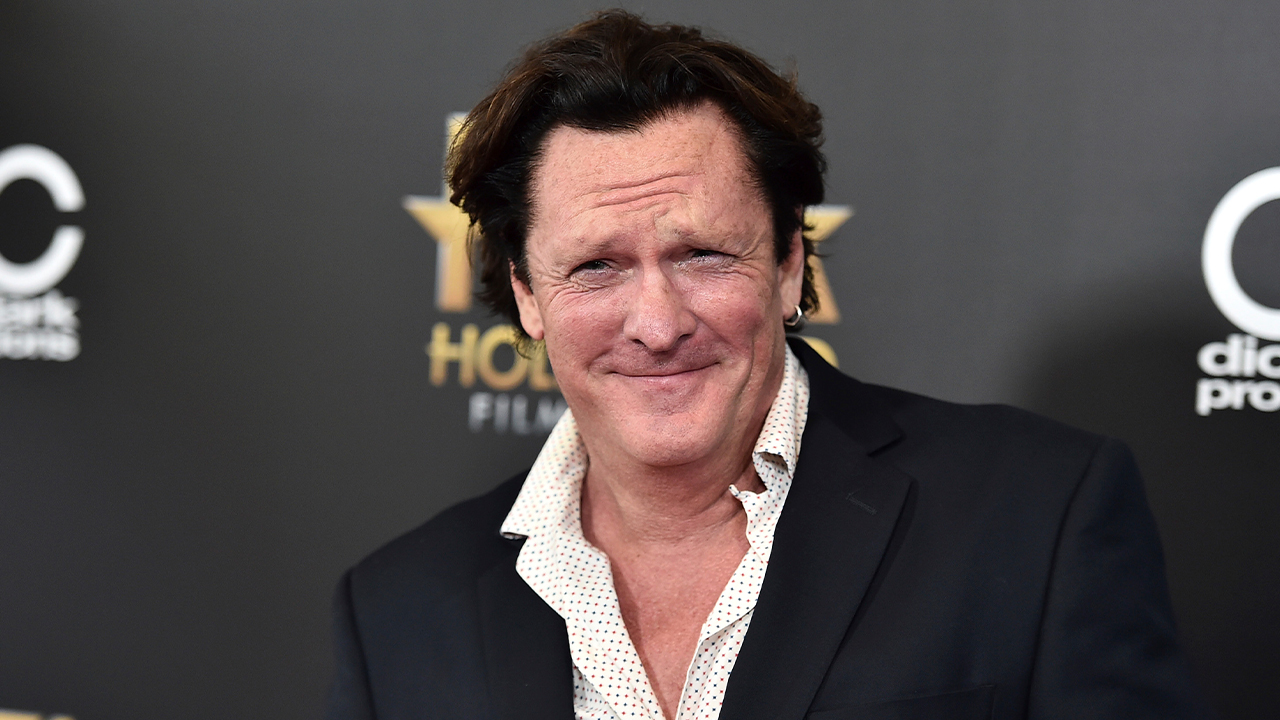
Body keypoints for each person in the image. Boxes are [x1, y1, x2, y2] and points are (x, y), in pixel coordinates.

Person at [327, 10, 1214, 719]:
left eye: (703, 255)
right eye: (597, 266)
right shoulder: (398, 611)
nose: (657, 324)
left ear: (790, 263)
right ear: (527, 293)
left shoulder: (1038, 517)